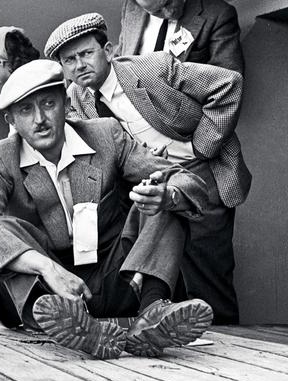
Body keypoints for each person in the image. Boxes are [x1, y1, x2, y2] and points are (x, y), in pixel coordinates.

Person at [0, 59, 213, 359]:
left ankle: (153, 314)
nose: (40, 119)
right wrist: (47, 268)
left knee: (158, 199)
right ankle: (69, 323)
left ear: (66, 104)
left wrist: (167, 195)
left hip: (111, 279)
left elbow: (186, 180)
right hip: (42, 288)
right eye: (26, 110)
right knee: (4, 225)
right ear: (11, 120)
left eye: (48, 104)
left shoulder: (106, 135)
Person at [45, 13, 249, 324]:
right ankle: (172, 334)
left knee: (209, 266)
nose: (79, 66)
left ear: (109, 51)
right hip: (151, 180)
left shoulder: (153, 68)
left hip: (202, 170)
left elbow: (228, 84)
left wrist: (200, 147)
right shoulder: (77, 96)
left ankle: (229, 346)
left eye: (86, 53)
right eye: (69, 60)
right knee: (168, 268)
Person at [116, 0, 244, 74]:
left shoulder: (219, 14)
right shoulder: (131, 7)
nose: (169, 12)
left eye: (169, 2)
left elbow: (229, 81)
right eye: (157, 12)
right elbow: (122, 53)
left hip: (180, 114)